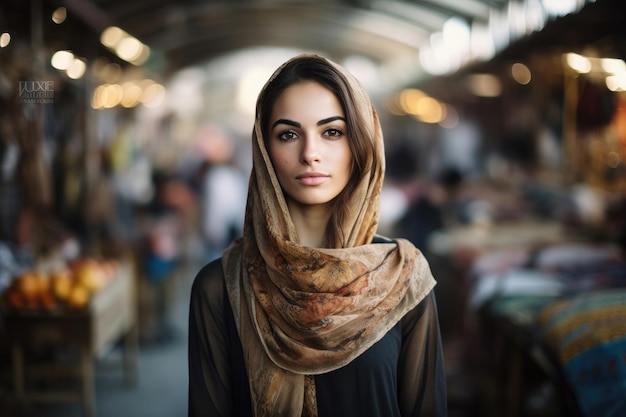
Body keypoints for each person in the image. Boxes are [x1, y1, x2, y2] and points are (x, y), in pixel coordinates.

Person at [188, 54, 447, 417]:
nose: (310, 153)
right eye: (289, 135)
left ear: (360, 145)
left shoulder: (402, 278)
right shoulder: (220, 287)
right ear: (265, 151)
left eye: (332, 132)